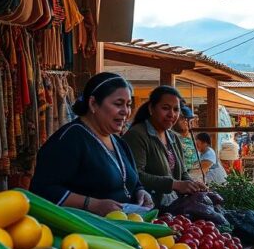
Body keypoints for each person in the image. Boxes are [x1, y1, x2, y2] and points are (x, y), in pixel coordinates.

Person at [32, 73, 153, 216]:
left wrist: (140, 191)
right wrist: (92, 205)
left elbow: (130, 181)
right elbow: (42, 190)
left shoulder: (120, 143)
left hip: (121, 229)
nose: (125, 112)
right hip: (83, 233)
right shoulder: (70, 139)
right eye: (118, 104)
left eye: (128, 105)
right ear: (93, 104)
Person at [119, 85, 205, 207]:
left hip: (173, 207)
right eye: (165, 108)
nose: (172, 114)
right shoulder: (137, 135)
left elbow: (183, 173)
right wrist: (174, 184)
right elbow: (135, 175)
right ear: (151, 108)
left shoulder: (173, 137)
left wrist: (193, 184)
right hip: (147, 208)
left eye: (176, 109)